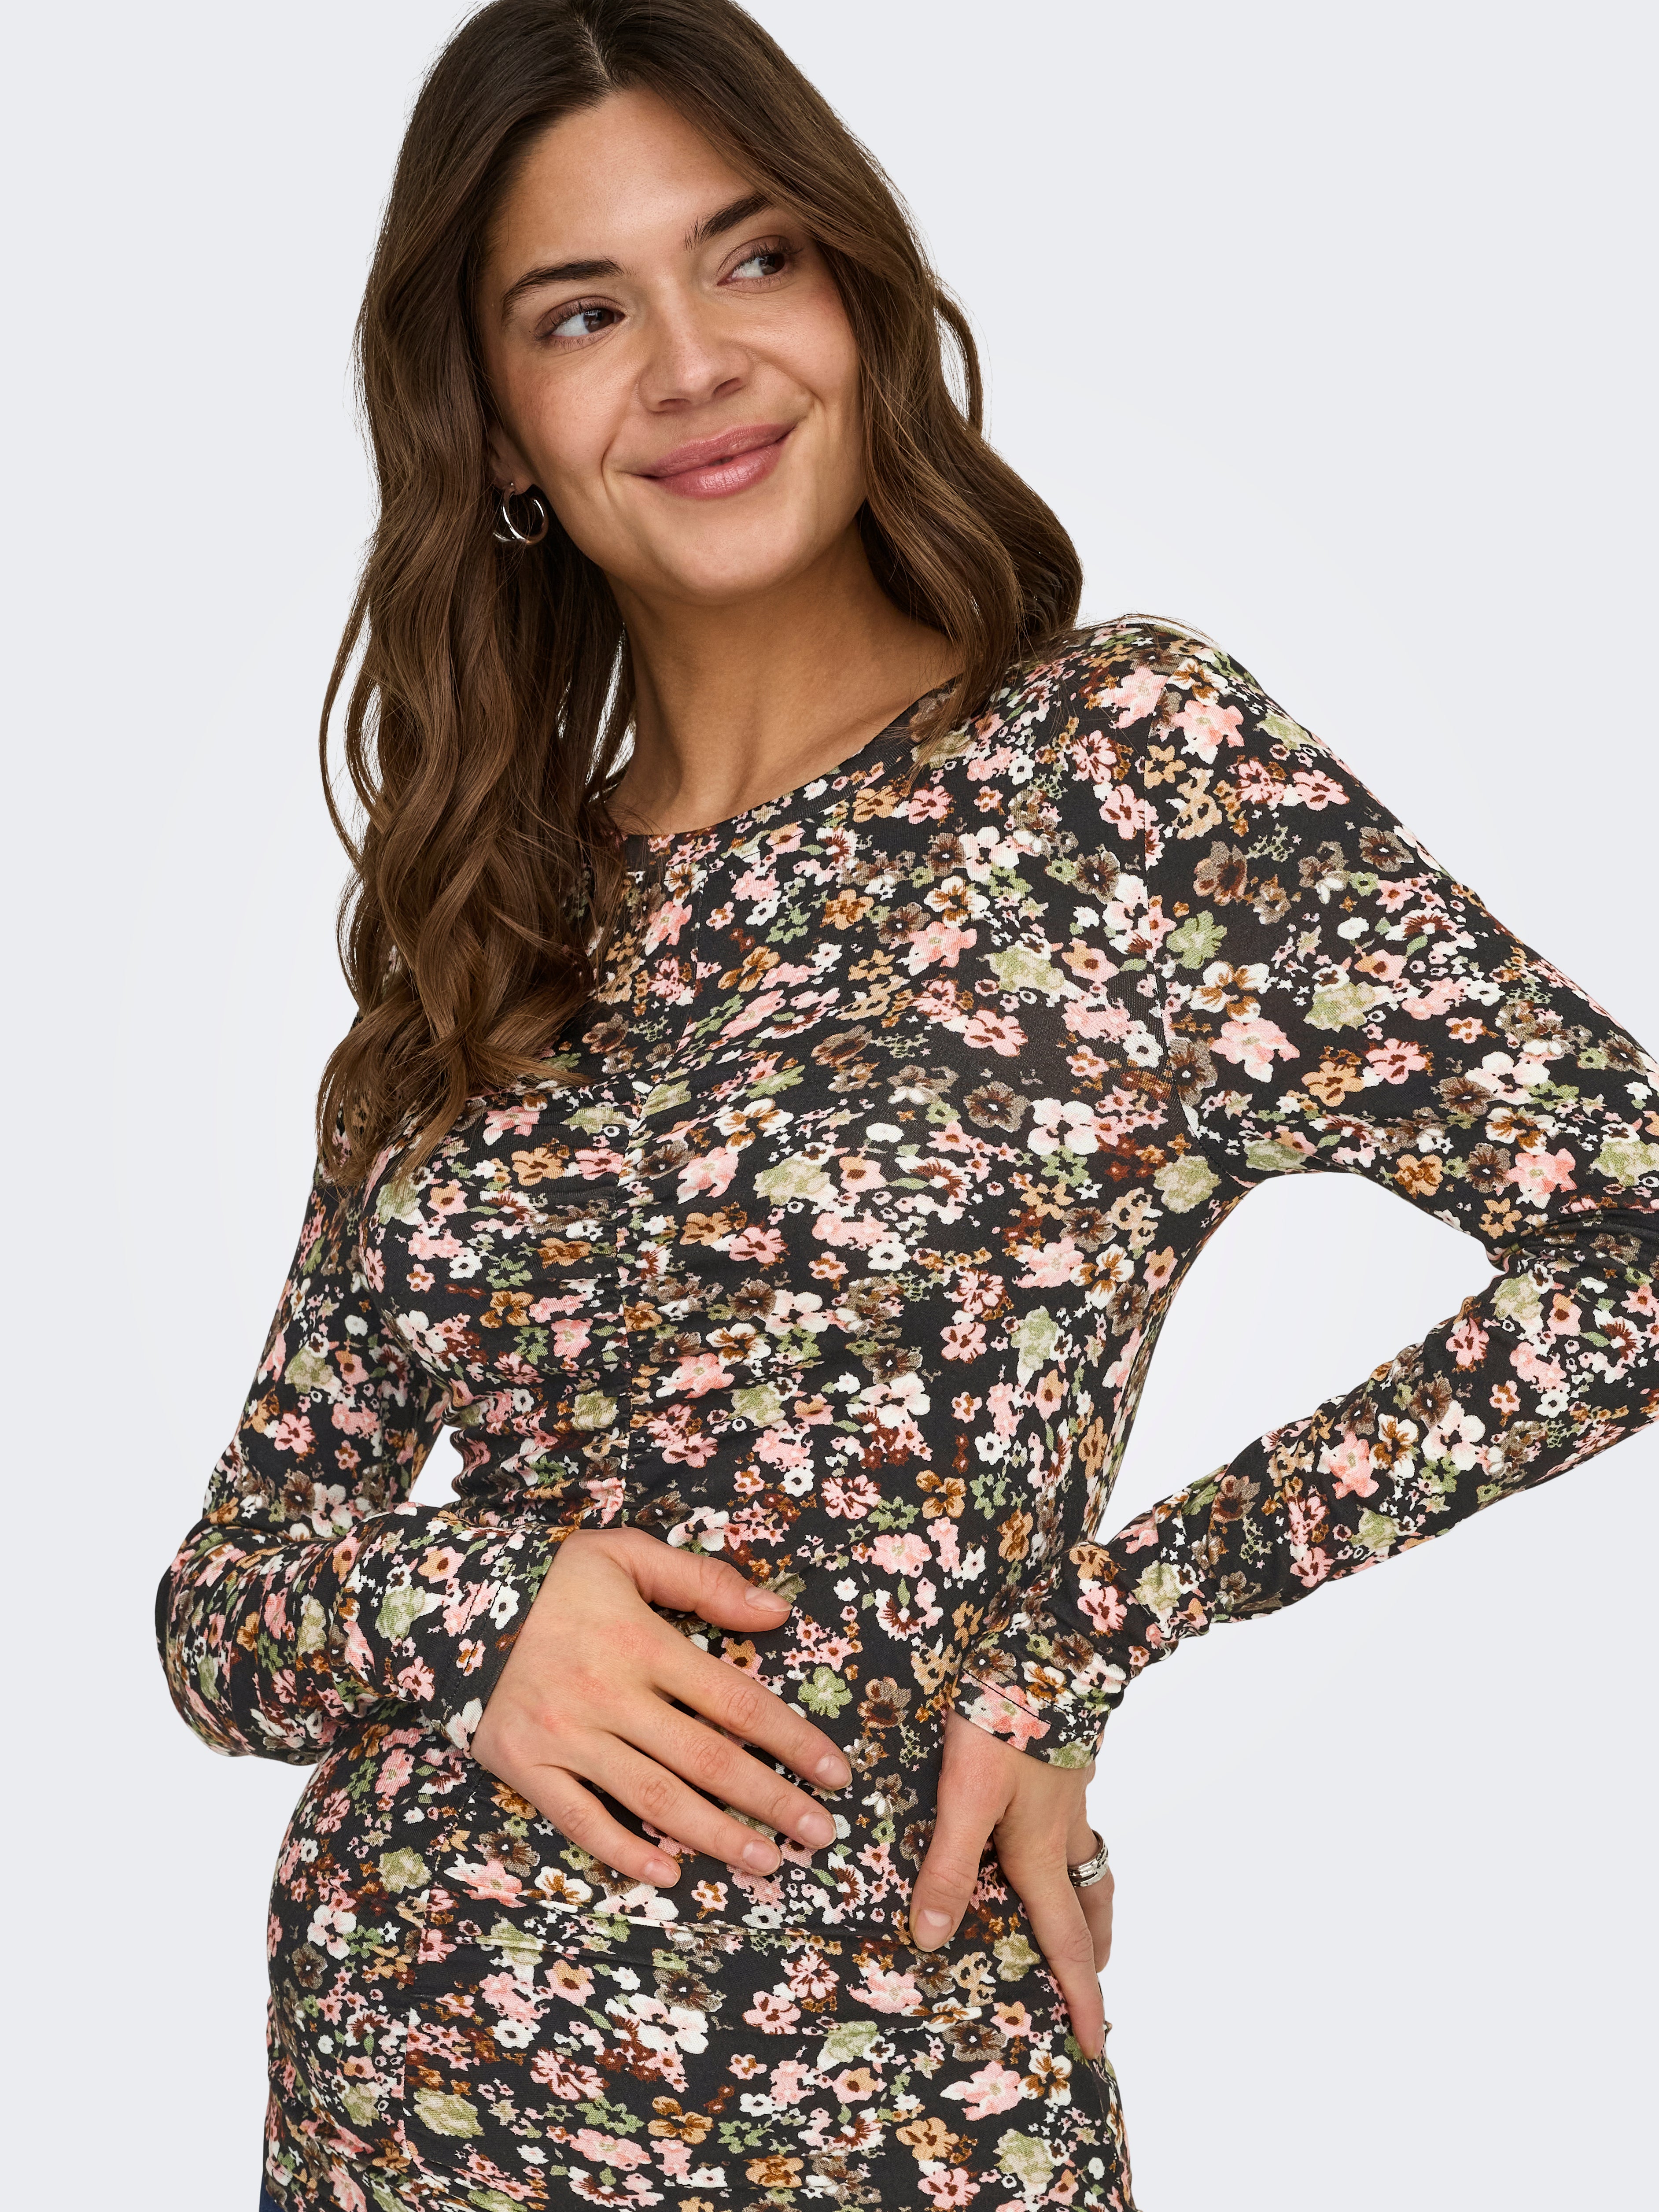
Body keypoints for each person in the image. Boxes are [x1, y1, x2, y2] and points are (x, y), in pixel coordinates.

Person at [155, 3, 1659, 2207]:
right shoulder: (496, 913)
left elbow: (1634, 1241)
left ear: (858, 296)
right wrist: (476, 1608)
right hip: (396, 2117)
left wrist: (1098, 1624)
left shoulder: (1120, 775)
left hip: (888, 2117)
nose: (694, 364)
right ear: (498, 428)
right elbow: (227, 1604)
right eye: (585, 312)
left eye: (752, 258)